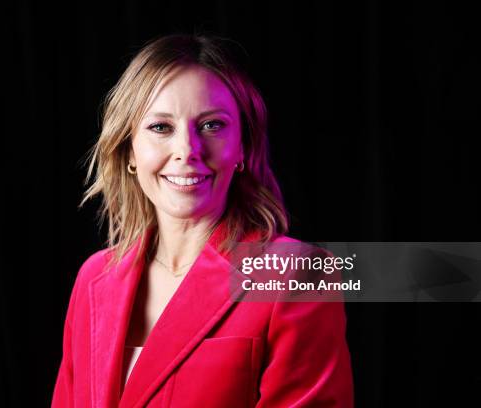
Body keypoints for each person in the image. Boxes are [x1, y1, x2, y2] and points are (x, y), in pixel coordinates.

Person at [51, 33, 354, 407]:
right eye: (161, 127)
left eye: (211, 125)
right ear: (129, 150)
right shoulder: (93, 279)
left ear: (243, 146)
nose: (187, 151)